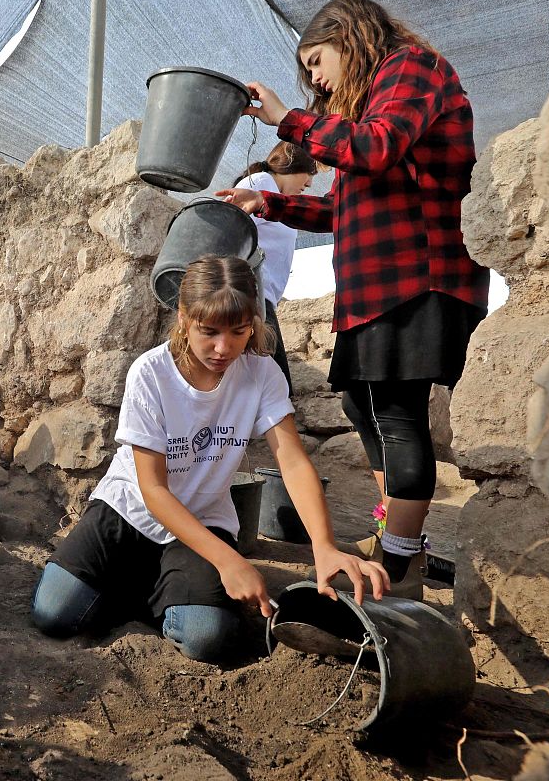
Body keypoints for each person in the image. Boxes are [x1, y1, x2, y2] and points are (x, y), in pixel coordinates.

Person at [214, 0, 490, 599]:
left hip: (417, 275)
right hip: (373, 284)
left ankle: (399, 562)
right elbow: (349, 206)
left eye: (316, 61)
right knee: (366, 412)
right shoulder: (372, 105)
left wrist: (289, 119)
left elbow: (377, 147)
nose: (313, 79)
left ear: (350, 35)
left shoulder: (411, 68)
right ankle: (394, 539)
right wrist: (271, 204)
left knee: (396, 416)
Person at [30, 256, 387, 662]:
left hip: (201, 521)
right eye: (209, 332)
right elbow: (153, 490)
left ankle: (168, 588)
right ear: (184, 318)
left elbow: (292, 459)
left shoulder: (261, 373)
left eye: (238, 331)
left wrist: (323, 547)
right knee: (54, 614)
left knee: (206, 639)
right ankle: (157, 587)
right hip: (127, 512)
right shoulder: (151, 374)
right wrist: (230, 563)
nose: (224, 348)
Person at [230, 143, 318, 393]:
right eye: (310, 172)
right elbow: (228, 228)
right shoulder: (259, 182)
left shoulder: (277, 198)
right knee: (278, 391)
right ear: (291, 162)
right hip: (251, 296)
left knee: (269, 389)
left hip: (262, 299)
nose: (310, 183)